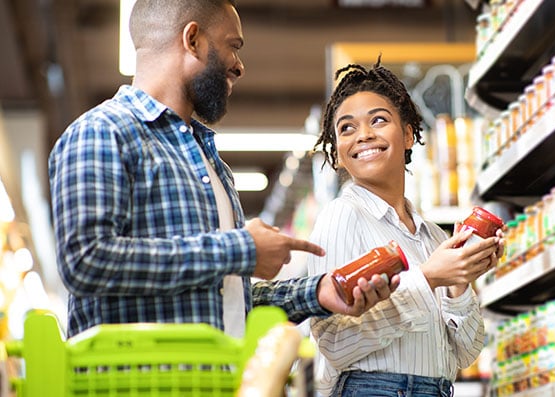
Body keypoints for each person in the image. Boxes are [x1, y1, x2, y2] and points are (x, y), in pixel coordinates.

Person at [48, 0, 398, 339]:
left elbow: (227, 300)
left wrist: (319, 293)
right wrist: (240, 249)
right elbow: (86, 261)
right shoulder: (102, 132)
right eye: (233, 46)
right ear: (193, 40)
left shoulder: (208, 161)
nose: (239, 66)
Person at [307, 59, 504, 396]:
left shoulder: (433, 237)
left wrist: (459, 279)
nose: (364, 135)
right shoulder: (341, 217)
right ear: (338, 154)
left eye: (379, 120)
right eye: (347, 128)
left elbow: (465, 352)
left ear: (409, 134)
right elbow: (335, 343)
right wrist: (428, 278)